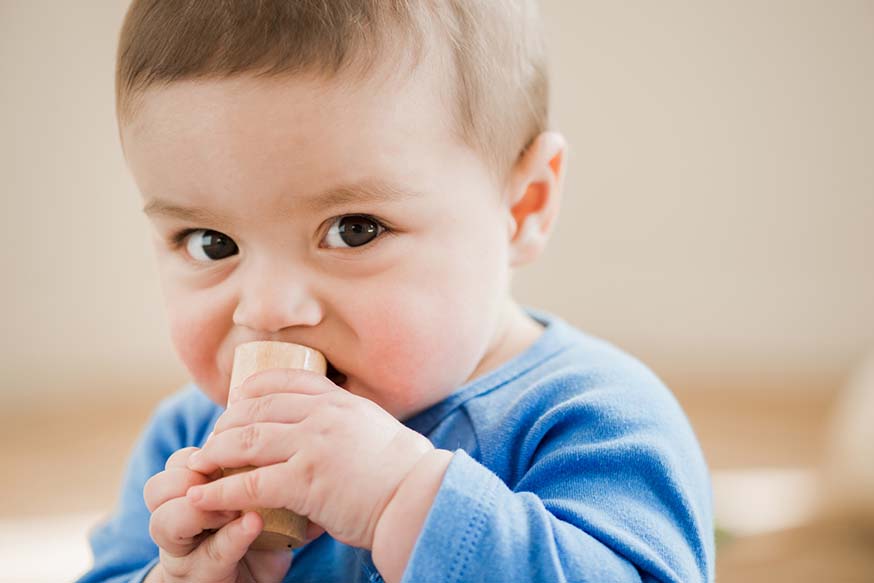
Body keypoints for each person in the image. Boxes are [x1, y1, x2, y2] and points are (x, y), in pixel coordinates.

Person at [79, 1, 714, 581]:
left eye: (355, 230)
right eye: (210, 242)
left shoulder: (592, 420)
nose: (267, 308)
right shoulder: (192, 442)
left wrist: (402, 499)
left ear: (523, 206)